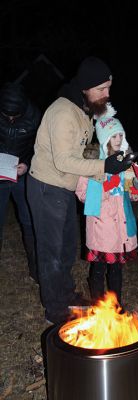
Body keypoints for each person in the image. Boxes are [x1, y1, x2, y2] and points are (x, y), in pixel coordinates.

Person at [27, 56, 134, 325]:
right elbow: (63, 160)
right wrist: (104, 165)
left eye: (109, 88)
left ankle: (66, 295)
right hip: (47, 187)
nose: (107, 95)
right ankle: (55, 310)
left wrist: (114, 157)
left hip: (65, 187)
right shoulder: (64, 112)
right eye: (102, 89)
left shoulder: (84, 108)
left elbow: (81, 150)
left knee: (66, 249)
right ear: (86, 87)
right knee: (52, 253)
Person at [75, 104, 138, 307]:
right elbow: (83, 194)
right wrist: (106, 186)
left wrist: (137, 188)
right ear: (105, 138)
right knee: (98, 269)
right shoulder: (92, 162)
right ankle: (97, 305)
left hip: (120, 225)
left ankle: (116, 306)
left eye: (120, 135)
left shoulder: (127, 162)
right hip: (101, 226)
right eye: (114, 136)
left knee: (117, 269)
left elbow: (133, 196)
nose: (118, 140)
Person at [0, 82, 41, 282]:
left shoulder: (34, 117)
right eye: (6, 116)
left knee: (28, 220)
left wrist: (26, 162)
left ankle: (36, 268)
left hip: (21, 175)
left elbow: (39, 147)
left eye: (14, 116)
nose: (10, 119)